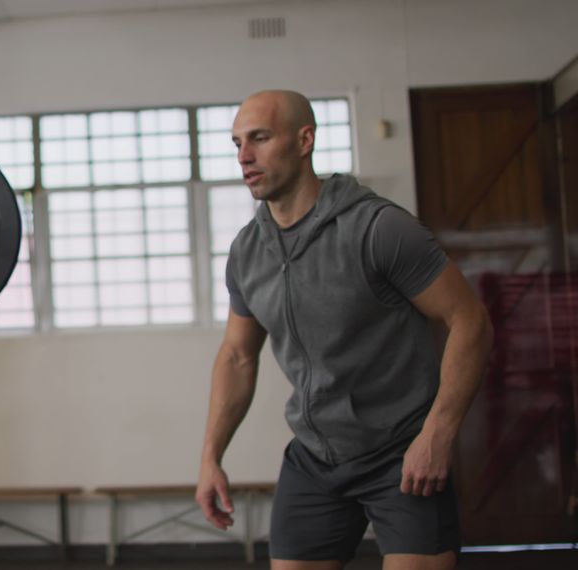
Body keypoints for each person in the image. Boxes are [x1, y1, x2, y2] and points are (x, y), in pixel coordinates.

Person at [195, 90, 494, 570]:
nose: (244, 157)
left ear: (304, 140)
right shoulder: (248, 252)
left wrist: (437, 434)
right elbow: (237, 356)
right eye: (236, 144)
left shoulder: (379, 228)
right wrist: (211, 457)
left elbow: (470, 322)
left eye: (260, 138)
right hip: (315, 457)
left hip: (400, 452)